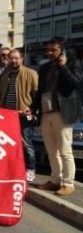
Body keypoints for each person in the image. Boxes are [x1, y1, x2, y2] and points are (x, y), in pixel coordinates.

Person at [32, 38, 83, 196]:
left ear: (62, 50)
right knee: (51, 150)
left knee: (65, 149)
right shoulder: (45, 67)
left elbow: (75, 83)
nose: (49, 53)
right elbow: (41, 90)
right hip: (46, 112)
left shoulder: (73, 63)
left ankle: (68, 183)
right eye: (48, 50)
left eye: (53, 50)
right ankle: (55, 180)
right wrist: (34, 108)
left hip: (63, 112)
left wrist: (62, 66)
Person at [0, 49, 38, 182]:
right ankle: (13, 169)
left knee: (26, 143)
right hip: (8, 115)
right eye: (11, 58)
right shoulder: (6, 73)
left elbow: (37, 95)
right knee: (9, 144)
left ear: (22, 58)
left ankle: (30, 169)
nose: (14, 61)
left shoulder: (31, 73)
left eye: (16, 58)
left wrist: (32, 110)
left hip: (23, 115)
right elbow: (2, 94)